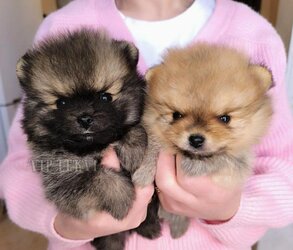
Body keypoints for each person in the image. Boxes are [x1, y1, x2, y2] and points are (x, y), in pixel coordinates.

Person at [1, 0, 293, 249]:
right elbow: (19, 166)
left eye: (105, 96)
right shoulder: (60, 25)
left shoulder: (252, 34)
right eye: (62, 103)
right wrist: (64, 223)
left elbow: (285, 169)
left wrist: (230, 209)